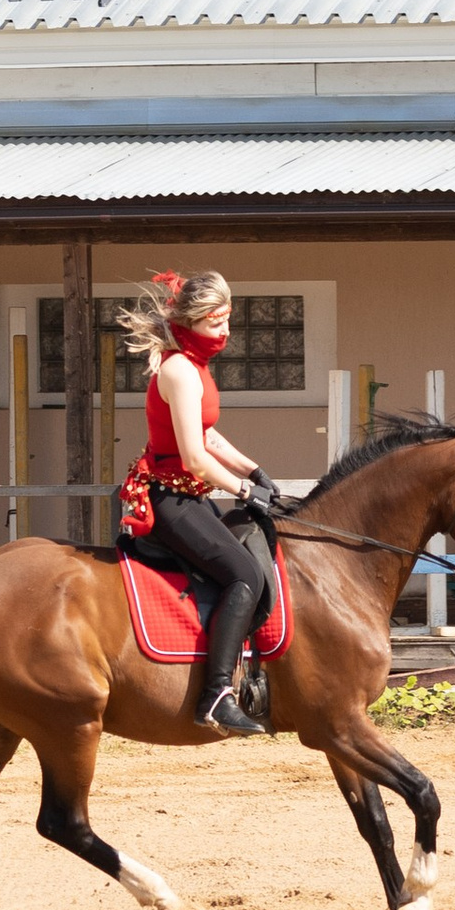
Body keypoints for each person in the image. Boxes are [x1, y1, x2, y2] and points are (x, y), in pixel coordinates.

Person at [111, 268, 280, 736]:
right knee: (243, 573)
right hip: (170, 500)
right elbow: (194, 458)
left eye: (228, 319)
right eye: (214, 321)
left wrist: (253, 469)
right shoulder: (180, 371)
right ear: (190, 322)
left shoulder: (194, 366)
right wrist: (246, 491)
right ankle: (216, 695)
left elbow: (207, 432)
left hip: (189, 496)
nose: (225, 331)